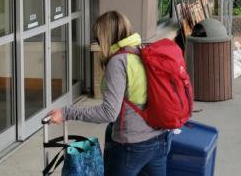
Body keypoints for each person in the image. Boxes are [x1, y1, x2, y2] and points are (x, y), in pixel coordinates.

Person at [47, 11, 171, 176]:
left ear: (105, 38)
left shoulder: (119, 61)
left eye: (97, 38)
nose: (97, 43)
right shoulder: (141, 51)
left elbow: (108, 113)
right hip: (161, 139)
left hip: (132, 145)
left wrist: (66, 113)